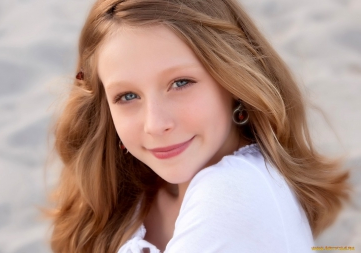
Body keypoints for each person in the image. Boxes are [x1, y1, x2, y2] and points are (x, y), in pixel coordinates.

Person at [46, 0, 352, 252]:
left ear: (233, 80)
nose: (155, 124)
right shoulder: (139, 194)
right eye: (127, 96)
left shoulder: (233, 196)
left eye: (181, 83)